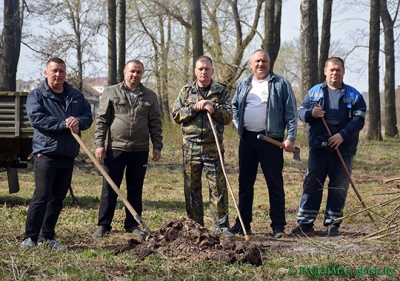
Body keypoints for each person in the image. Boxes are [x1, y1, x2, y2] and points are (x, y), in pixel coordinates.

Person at [21, 57, 93, 249]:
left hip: (68, 154)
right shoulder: (37, 95)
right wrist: (63, 125)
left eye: (61, 71)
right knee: (42, 195)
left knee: (57, 198)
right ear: (46, 73)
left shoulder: (75, 96)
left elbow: (88, 115)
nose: (58, 74)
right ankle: (30, 238)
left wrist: (79, 122)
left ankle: (48, 237)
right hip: (46, 153)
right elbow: (37, 119)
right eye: (54, 71)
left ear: (65, 73)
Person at [292, 57, 366, 236]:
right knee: (312, 184)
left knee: (339, 186)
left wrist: (342, 135)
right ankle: (305, 223)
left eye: (338, 70)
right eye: (331, 70)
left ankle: (333, 224)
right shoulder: (315, 92)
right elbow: (301, 112)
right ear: (325, 71)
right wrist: (311, 113)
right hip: (319, 148)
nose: (334, 73)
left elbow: (359, 120)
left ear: (343, 71)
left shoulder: (354, 95)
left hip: (343, 149)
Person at [227, 49, 298, 238]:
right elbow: (234, 106)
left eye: (264, 61)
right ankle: (243, 224)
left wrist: (290, 137)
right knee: (245, 183)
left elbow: (291, 113)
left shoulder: (280, 84)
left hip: (271, 140)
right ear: (251, 65)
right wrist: (238, 124)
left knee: (274, 183)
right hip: (247, 140)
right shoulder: (244, 84)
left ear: (269, 63)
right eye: (257, 61)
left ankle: (278, 226)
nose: (260, 64)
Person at [92, 59, 163, 238]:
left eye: (139, 72)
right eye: (132, 71)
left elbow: (155, 122)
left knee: (135, 189)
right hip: (115, 148)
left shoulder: (150, 96)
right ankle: (104, 225)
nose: (135, 75)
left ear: (142, 74)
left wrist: (157, 145)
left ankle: (132, 224)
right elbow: (102, 120)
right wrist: (99, 144)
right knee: (109, 188)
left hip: (140, 150)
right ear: (125, 72)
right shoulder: (111, 92)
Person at [172, 56, 232, 234]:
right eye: (200, 69)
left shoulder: (221, 91)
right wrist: (195, 108)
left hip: (213, 147)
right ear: (195, 71)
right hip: (191, 147)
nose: (203, 72)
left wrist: (213, 106)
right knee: (192, 187)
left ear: (212, 71)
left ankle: (221, 226)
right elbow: (176, 115)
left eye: (207, 69)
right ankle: (195, 226)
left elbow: (229, 117)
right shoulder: (186, 91)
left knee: (218, 187)